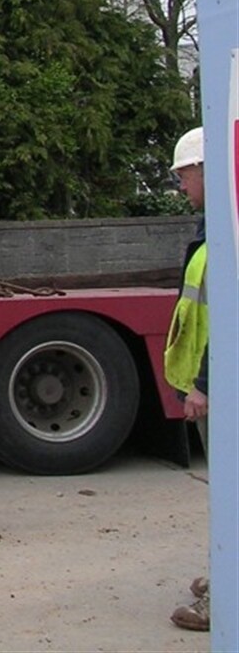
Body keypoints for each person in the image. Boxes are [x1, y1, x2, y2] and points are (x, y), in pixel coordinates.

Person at [165, 126, 211, 633]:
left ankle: (224, 599)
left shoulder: (226, 231)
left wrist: (203, 384)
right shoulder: (214, 225)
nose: (180, 185)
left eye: (183, 174)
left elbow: (222, 320)